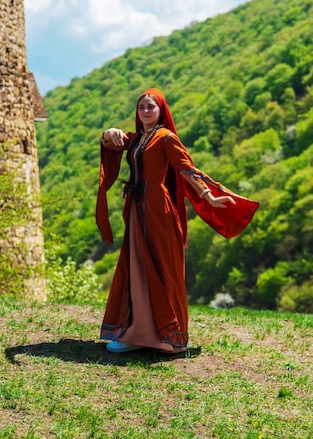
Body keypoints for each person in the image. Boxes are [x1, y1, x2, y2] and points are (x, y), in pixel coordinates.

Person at [96, 88, 259, 354]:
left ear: (161, 111)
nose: (145, 111)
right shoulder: (138, 138)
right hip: (137, 212)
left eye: (151, 107)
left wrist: (209, 196)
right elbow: (111, 143)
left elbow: (186, 169)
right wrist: (108, 132)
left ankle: (169, 338)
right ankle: (135, 334)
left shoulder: (166, 138)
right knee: (136, 268)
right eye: (141, 107)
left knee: (163, 270)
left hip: (159, 212)